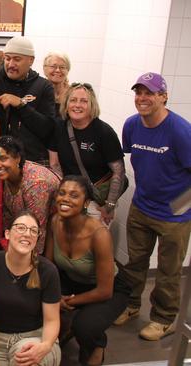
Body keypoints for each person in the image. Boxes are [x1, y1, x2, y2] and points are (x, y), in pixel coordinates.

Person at [114, 72, 191, 341]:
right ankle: (131, 305)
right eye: (138, 92)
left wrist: (179, 208)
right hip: (141, 206)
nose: (142, 98)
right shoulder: (132, 125)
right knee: (134, 262)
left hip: (174, 215)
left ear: (163, 96)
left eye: (149, 93)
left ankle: (163, 319)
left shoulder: (181, 130)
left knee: (169, 271)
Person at [44, 176, 129, 365]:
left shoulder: (99, 234)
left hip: (108, 289)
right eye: (62, 193)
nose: (65, 199)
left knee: (85, 327)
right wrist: (55, 296)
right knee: (40, 303)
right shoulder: (55, 221)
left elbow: (105, 290)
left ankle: (97, 344)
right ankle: (67, 329)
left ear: (86, 202)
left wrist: (68, 301)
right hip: (73, 280)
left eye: (74, 195)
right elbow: (49, 266)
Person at [0, 211, 61, 366]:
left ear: (37, 238)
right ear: (7, 234)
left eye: (33, 231)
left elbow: (52, 320)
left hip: (34, 337)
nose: (27, 234)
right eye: (21, 228)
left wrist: (44, 346)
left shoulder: (48, 271)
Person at [48, 83, 126, 226]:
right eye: (73, 100)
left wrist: (109, 205)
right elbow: (54, 163)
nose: (78, 105)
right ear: (66, 104)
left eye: (84, 101)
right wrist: (64, 195)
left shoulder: (104, 132)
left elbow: (119, 172)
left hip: (96, 203)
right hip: (69, 199)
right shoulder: (59, 127)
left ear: (92, 105)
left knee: (91, 246)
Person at [0, 36, 56, 165]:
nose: (11, 64)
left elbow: (47, 129)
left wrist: (21, 104)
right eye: (7, 58)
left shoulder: (43, 86)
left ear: (31, 60)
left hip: (31, 160)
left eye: (17, 59)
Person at [0, 136, 60, 253]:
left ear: (18, 159)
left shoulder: (36, 183)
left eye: (3, 158)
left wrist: (31, 262)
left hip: (52, 236)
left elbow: (37, 228)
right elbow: (5, 214)